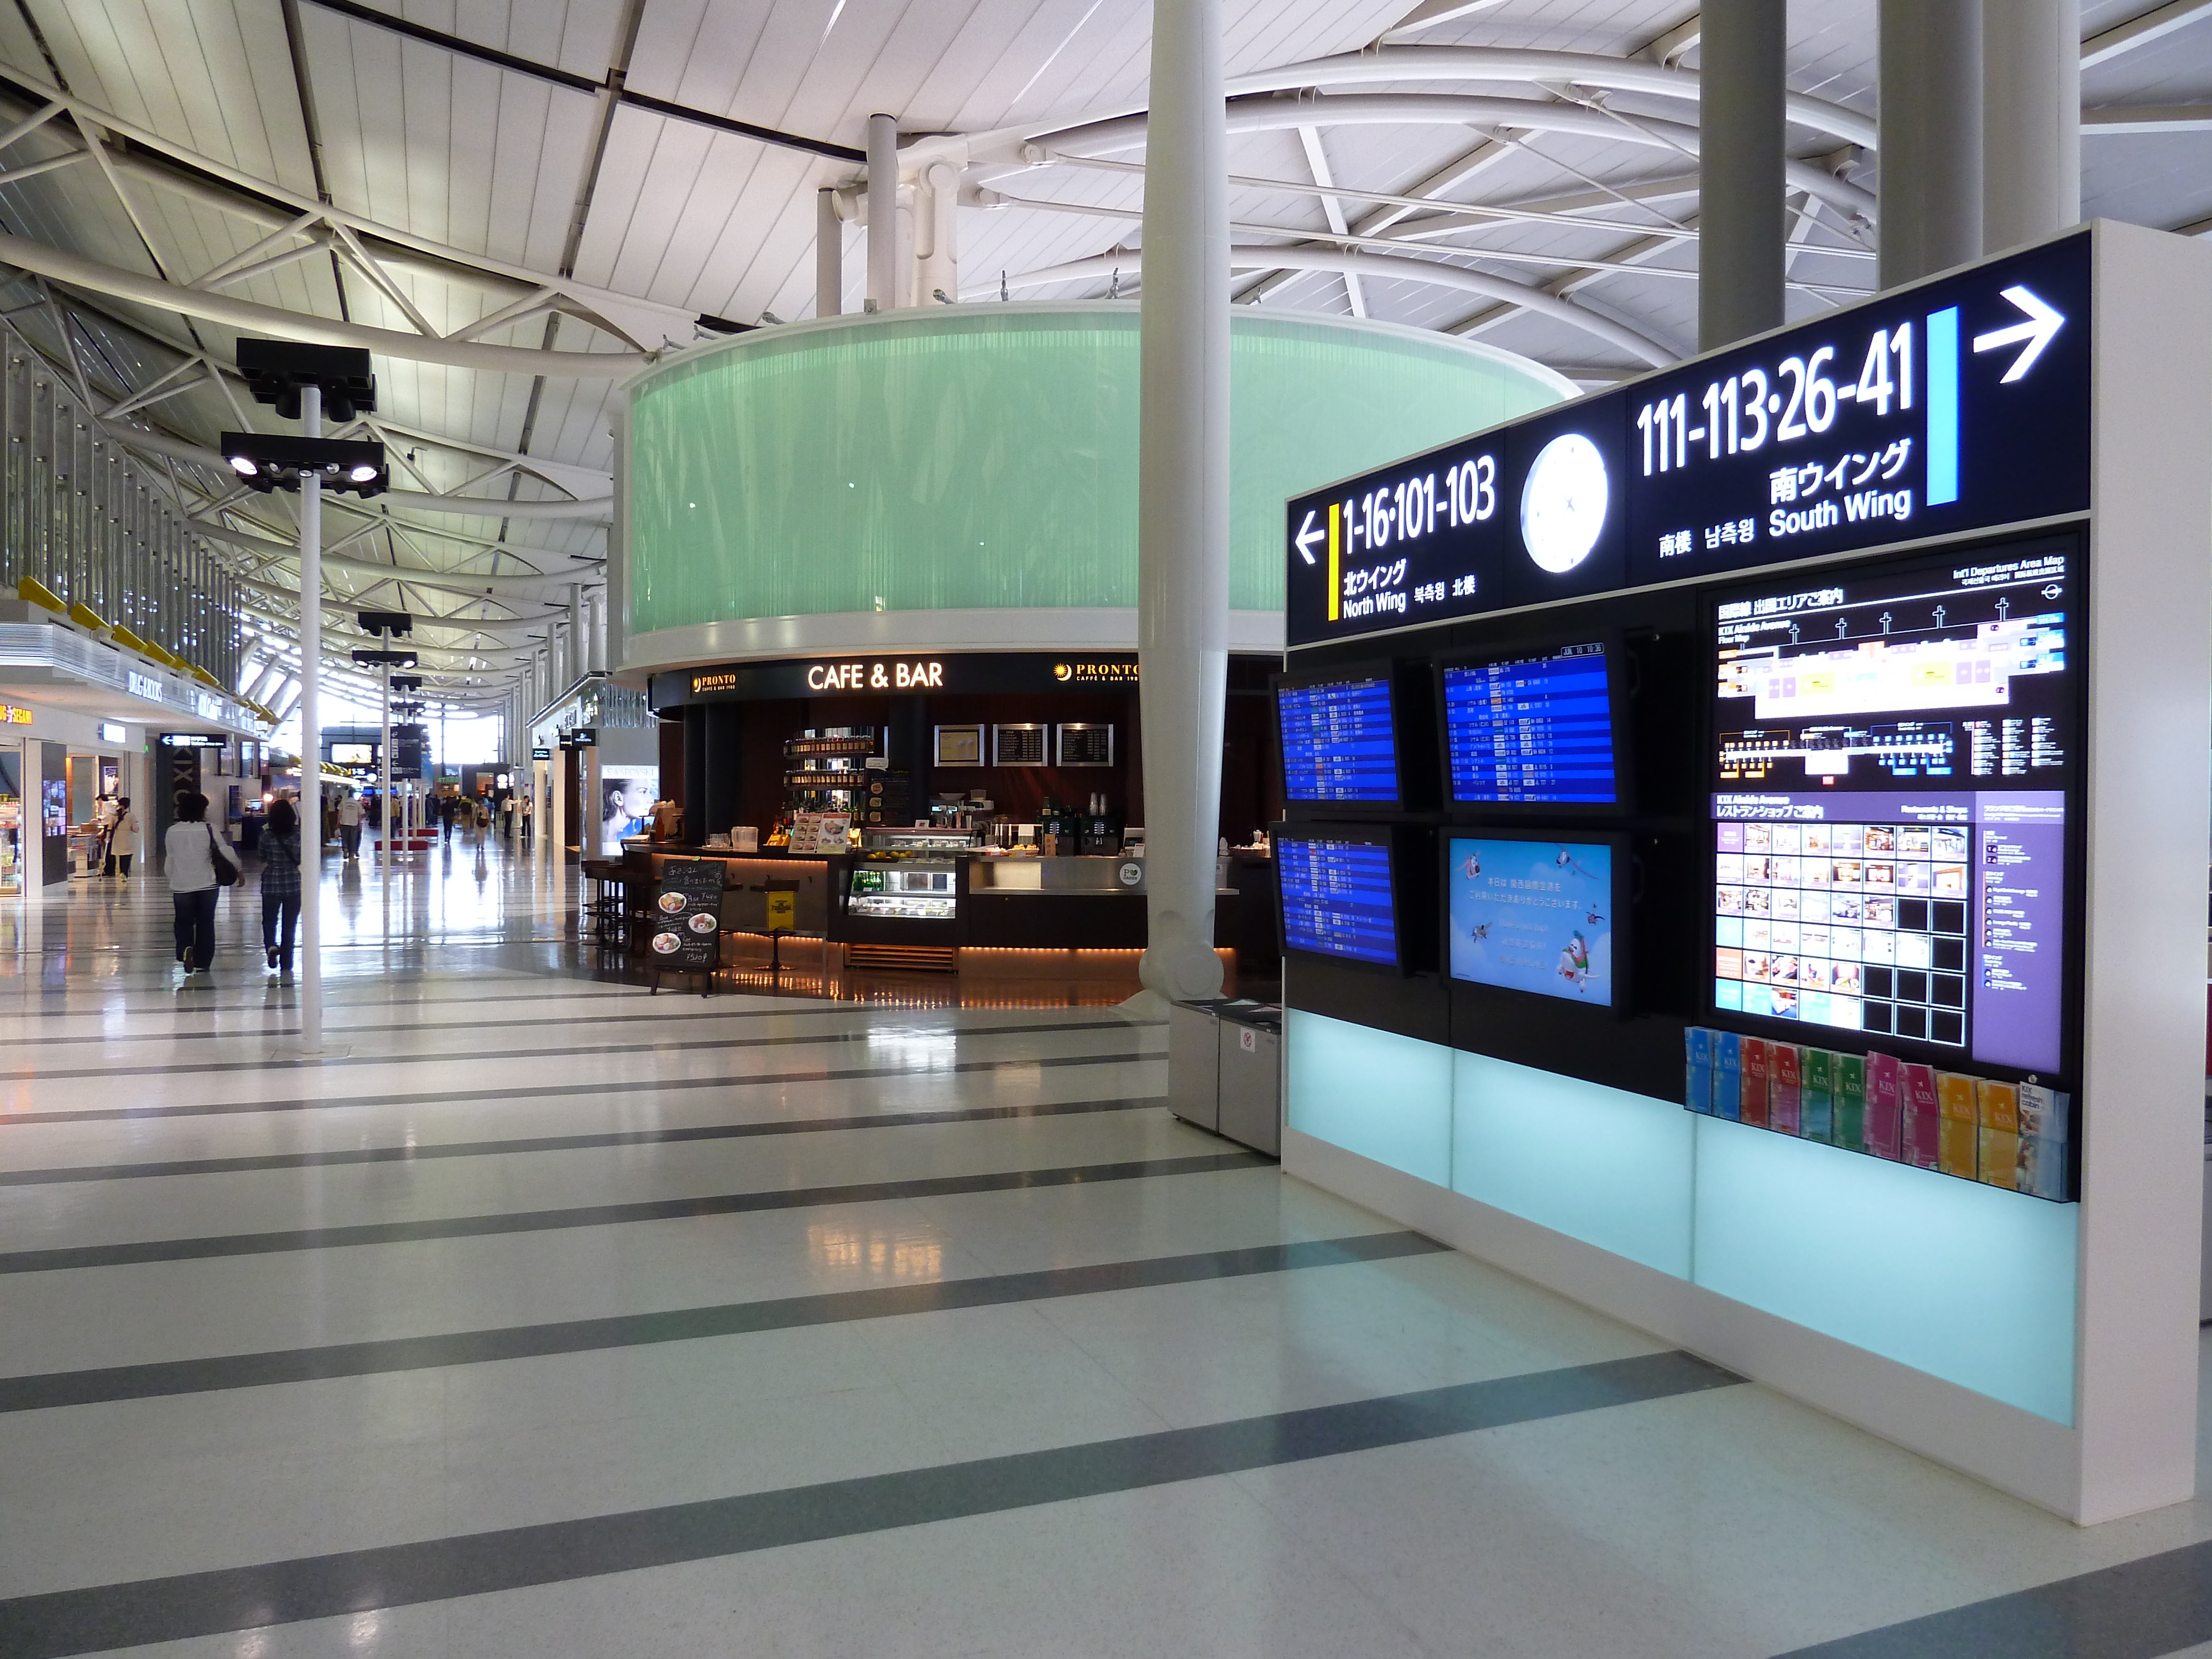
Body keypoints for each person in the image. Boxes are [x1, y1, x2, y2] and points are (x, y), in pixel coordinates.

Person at [164, 792, 237, 976]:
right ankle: (203, 962)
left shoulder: (172, 831)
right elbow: (225, 853)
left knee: (182, 921)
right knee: (206, 923)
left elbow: (170, 860)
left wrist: (173, 877)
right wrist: (238, 871)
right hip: (208, 884)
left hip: (181, 885)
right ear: (202, 810)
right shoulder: (209, 829)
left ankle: (185, 949)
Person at [258, 797, 303, 975]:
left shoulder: (266, 835)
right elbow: (300, 858)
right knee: (289, 925)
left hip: (271, 883)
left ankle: (270, 945)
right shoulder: (298, 835)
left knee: (269, 920)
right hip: (293, 884)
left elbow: (261, 857)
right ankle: (287, 962)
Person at [602, 775, 655, 854]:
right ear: (618, 798)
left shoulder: (611, 834)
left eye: (650, 792)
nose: (651, 800)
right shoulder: (603, 835)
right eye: (643, 792)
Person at [105, 797, 138, 878]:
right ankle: (124, 873)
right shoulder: (131, 816)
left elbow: (110, 828)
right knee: (127, 857)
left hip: (117, 839)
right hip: (127, 838)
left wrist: (108, 838)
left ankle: (121, 871)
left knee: (119, 856)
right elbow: (135, 829)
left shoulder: (114, 815)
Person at [336, 789, 362, 860]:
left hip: (344, 822)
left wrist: (338, 822)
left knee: (345, 837)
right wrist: (360, 824)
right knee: (353, 838)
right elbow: (360, 815)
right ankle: (352, 854)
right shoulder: (357, 803)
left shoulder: (343, 802)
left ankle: (345, 849)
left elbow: (340, 813)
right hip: (354, 823)